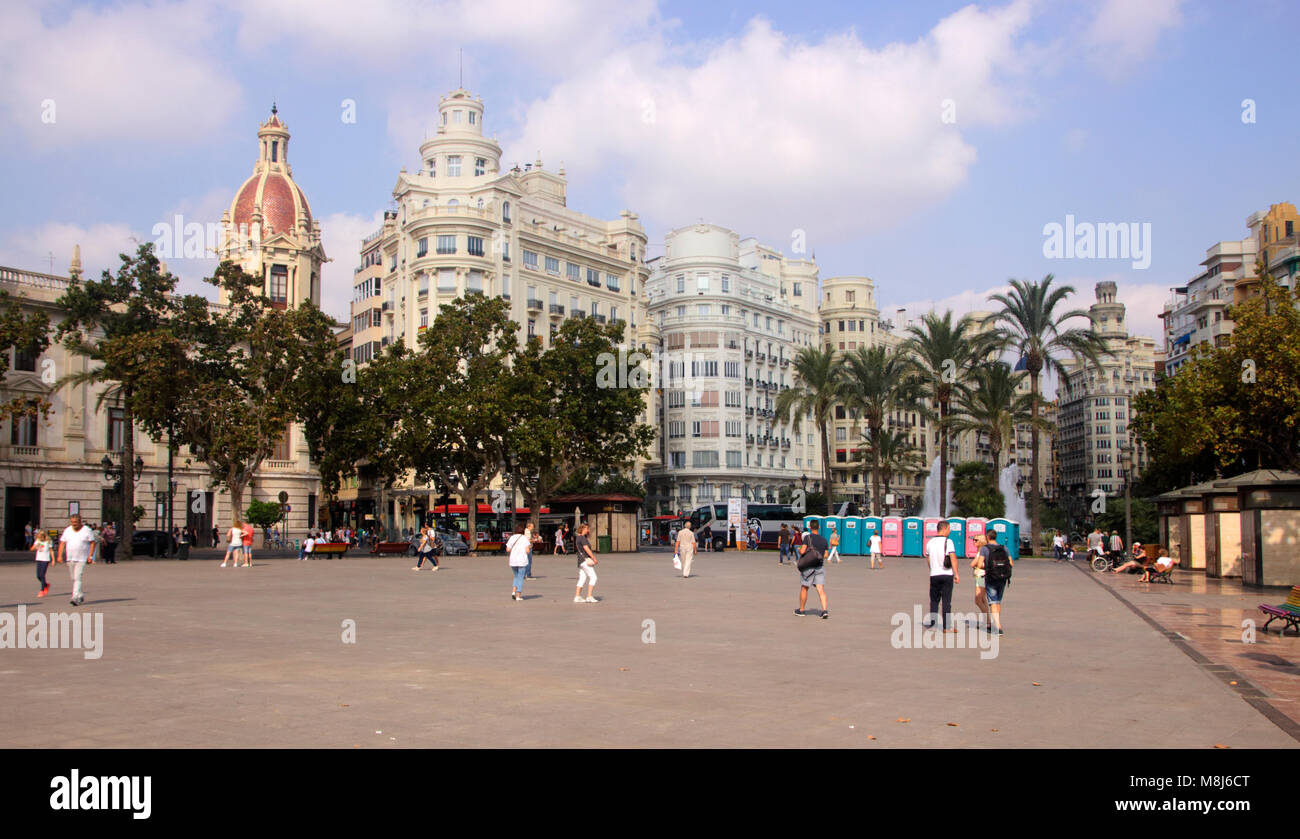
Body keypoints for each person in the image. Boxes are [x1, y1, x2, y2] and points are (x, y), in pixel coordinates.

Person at [925, 520, 959, 633]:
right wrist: (956, 574)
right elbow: (953, 558)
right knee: (946, 601)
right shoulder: (948, 541)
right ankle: (947, 627)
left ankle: (933, 625)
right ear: (944, 529)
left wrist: (932, 569)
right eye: (949, 529)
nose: (949, 531)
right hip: (947, 574)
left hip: (934, 574)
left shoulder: (929, 542)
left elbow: (928, 559)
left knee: (934, 600)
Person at [57, 513, 98, 607]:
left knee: (77, 577)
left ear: (80, 522)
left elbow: (92, 543)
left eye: (75, 522)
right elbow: (62, 543)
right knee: (73, 578)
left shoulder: (87, 530)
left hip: (82, 558)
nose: (74, 524)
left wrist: (90, 556)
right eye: (72, 522)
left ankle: (75, 597)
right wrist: (59, 555)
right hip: (70, 558)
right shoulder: (67, 530)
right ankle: (80, 594)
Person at [977, 532, 1013, 634]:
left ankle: (998, 627)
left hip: (991, 578)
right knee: (997, 601)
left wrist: (988, 567)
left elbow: (979, 564)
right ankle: (997, 622)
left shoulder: (985, 548)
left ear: (987, 537)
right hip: (1002, 578)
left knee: (993, 602)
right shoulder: (1004, 548)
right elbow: (1011, 563)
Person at [794, 518, 829, 619]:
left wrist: (801, 550)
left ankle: (801, 610)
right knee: (821, 589)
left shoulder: (807, 538)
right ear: (819, 527)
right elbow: (826, 555)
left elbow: (803, 550)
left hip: (808, 567)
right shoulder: (823, 539)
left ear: (810, 527)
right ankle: (824, 610)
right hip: (819, 566)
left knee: (805, 588)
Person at [573, 523, 598, 603]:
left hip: (580, 560)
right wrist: (593, 558)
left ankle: (577, 597)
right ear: (584, 529)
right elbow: (586, 548)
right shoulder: (582, 538)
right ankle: (589, 596)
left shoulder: (577, 538)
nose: (588, 530)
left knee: (582, 578)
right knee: (593, 577)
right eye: (587, 529)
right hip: (585, 560)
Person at [506, 522, 530, 601]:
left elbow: (508, 549)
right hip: (522, 560)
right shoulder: (524, 538)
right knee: (520, 577)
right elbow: (527, 551)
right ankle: (518, 595)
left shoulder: (512, 537)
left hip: (513, 560)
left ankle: (513, 592)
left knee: (516, 576)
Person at [971, 532, 991, 627]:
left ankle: (988, 622)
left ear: (981, 541)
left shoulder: (981, 552)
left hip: (981, 577)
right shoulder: (982, 551)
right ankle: (987, 621)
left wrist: (975, 564)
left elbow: (973, 564)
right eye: (973, 539)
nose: (973, 541)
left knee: (978, 600)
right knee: (983, 599)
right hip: (980, 576)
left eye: (976, 540)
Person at [32, 527, 52, 597]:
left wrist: (53, 560)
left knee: (42, 575)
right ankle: (46, 585)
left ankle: (42, 590)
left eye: (41, 537)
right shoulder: (37, 541)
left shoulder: (48, 542)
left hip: (45, 560)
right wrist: (36, 546)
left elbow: (51, 551)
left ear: (44, 536)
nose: (40, 538)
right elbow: (32, 549)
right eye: (39, 537)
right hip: (39, 559)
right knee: (38, 576)